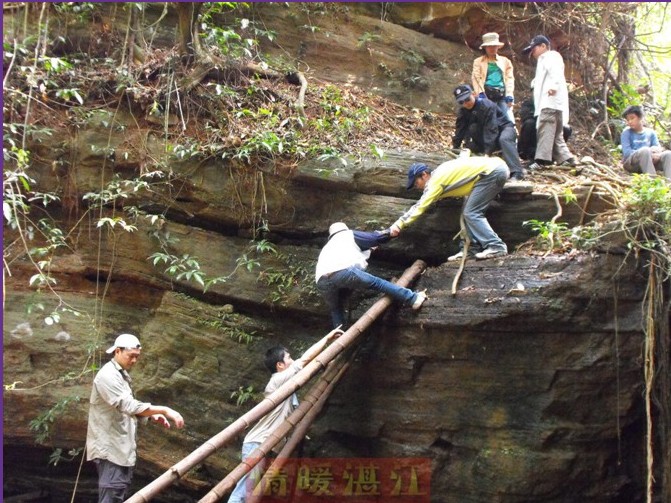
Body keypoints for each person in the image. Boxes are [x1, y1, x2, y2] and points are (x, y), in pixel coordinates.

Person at [227, 327, 343, 503]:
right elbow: (305, 361)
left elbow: (311, 368)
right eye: (289, 358)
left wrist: (333, 357)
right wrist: (327, 338)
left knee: (250, 492)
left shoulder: (287, 387)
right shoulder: (278, 380)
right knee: (244, 490)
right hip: (258, 443)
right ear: (279, 365)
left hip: (265, 444)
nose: (293, 359)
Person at [86, 333, 185, 503]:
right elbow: (127, 405)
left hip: (121, 450)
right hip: (110, 450)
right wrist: (164, 410)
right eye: (131, 356)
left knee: (118, 493)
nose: (134, 361)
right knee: (111, 496)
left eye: (137, 357)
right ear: (118, 351)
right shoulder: (107, 376)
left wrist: (152, 416)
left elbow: (128, 409)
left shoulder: (121, 374)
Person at [389, 159, 508, 262]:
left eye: (416, 182)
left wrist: (399, 224)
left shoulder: (435, 182)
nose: (417, 187)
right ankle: (470, 250)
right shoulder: (440, 173)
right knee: (467, 213)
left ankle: (496, 246)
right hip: (491, 171)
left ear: (424, 174)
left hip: (492, 173)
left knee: (471, 213)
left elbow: (420, 206)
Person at [315, 222, 426, 329]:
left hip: (322, 281)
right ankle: (412, 298)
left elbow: (353, 252)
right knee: (377, 283)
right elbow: (374, 238)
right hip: (341, 272)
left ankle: (339, 332)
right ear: (344, 229)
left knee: (336, 308)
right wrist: (389, 233)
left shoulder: (328, 247)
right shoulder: (347, 235)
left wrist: (369, 249)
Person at [522, 35, 577, 169]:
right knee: (556, 133)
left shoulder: (550, 56)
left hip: (549, 102)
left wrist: (553, 87)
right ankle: (567, 158)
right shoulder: (544, 59)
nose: (532, 52)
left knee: (545, 129)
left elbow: (556, 72)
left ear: (543, 46)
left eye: (534, 48)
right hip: (553, 103)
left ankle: (542, 161)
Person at [453, 84, 525, 181]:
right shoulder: (463, 112)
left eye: (467, 99)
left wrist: (487, 152)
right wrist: (455, 147)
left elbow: (491, 128)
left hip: (504, 129)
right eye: (462, 102)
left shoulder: (486, 105)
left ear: (473, 94)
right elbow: (460, 130)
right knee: (472, 129)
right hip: (486, 134)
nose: (466, 103)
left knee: (504, 139)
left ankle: (517, 172)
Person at [472, 32, 515, 122]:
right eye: (489, 46)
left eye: (494, 46)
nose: (492, 48)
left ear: (498, 47)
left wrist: (509, 94)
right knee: (487, 121)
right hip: (486, 95)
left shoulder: (505, 61)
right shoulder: (478, 62)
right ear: (485, 47)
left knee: (508, 121)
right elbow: (476, 78)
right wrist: (480, 93)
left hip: (502, 95)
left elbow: (509, 78)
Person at [620, 105, 671, 180]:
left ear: (640, 117)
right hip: (632, 164)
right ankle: (652, 182)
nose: (629, 122)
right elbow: (627, 153)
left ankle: (669, 183)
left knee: (668, 154)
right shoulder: (626, 133)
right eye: (627, 120)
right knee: (645, 150)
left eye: (632, 118)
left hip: (650, 162)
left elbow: (657, 148)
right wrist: (647, 152)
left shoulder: (651, 132)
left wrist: (656, 154)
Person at [518, 95, 572, 161]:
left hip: (551, 126)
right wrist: (541, 118)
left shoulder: (554, 103)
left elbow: (562, 118)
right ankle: (529, 154)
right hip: (534, 131)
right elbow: (525, 115)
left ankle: (556, 154)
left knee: (566, 128)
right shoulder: (529, 103)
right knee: (529, 124)